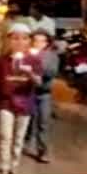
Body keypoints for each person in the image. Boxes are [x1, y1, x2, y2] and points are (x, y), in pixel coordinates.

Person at [0, 23, 42, 174]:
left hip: (25, 104)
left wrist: (30, 74)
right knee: (5, 136)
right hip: (5, 103)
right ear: (9, 40)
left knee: (19, 138)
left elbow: (38, 82)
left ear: (29, 41)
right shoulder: (1, 60)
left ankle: (14, 165)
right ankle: (4, 168)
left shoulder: (34, 60)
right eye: (15, 38)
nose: (19, 42)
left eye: (24, 38)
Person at [27, 30, 59, 163]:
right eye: (35, 40)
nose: (37, 43)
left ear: (46, 43)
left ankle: (43, 151)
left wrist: (35, 66)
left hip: (43, 94)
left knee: (43, 123)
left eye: (41, 41)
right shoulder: (25, 54)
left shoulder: (52, 56)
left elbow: (51, 72)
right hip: (27, 93)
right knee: (25, 121)